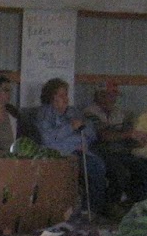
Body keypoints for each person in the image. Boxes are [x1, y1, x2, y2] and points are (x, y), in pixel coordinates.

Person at [36, 78, 107, 214]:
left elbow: (91, 133)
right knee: (95, 167)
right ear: (52, 97)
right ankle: (88, 210)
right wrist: (71, 128)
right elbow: (48, 140)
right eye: (61, 95)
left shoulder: (73, 112)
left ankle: (93, 210)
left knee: (100, 164)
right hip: (60, 154)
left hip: (81, 150)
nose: (66, 99)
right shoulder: (45, 114)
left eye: (66, 94)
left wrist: (77, 133)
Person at [83, 81, 146, 207]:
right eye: (110, 95)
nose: (114, 99)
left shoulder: (119, 113)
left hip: (120, 151)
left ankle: (132, 204)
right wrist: (128, 134)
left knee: (145, 170)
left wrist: (139, 140)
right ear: (100, 95)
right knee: (119, 172)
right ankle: (110, 205)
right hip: (99, 151)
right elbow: (103, 136)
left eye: (115, 96)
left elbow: (125, 135)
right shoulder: (89, 113)